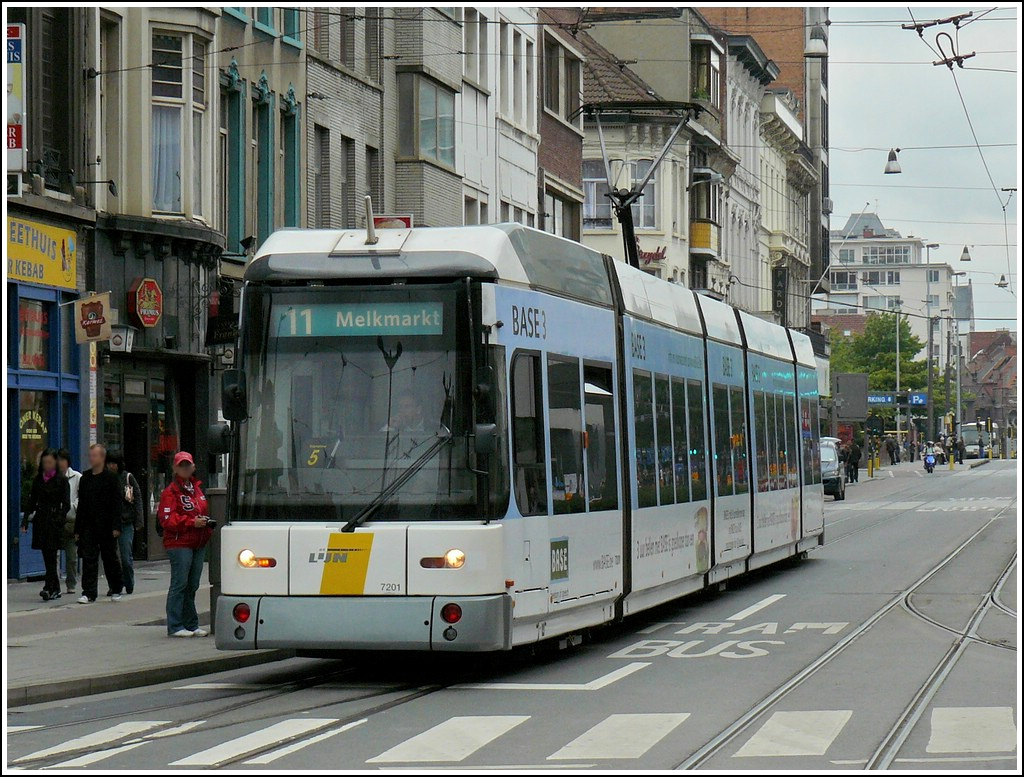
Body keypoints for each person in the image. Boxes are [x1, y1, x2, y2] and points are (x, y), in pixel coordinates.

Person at [158, 451, 213, 638]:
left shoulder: (196, 489)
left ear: (193, 467)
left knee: (192, 585)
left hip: (198, 542)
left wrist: (204, 523)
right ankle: (175, 625)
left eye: (187, 465)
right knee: (179, 584)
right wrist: (191, 522)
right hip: (179, 543)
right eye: (181, 465)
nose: (185, 468)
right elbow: (166, 519)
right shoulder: (170, 492)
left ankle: (191, 624)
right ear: (174, 468)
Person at [75, 443, 124, 604]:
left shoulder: (111, 478)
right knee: (89, 558)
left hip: (107, 524)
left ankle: (116, 588)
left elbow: (117, 503)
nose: (91, 458)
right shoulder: (85, 478)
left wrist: (116, 526)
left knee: (110, 557)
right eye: (90, 455)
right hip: (89, 524)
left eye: (94, 455)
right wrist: (78, 528)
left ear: (102, 457)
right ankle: (89, 592)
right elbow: (81, 504)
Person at [20, 449, 72, 601]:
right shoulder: (38, 480)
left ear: (55, 462)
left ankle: (49, 587)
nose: (47, 465)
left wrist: (59, 518)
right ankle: (54, 587)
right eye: (44, 463)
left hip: (54, 521)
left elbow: (66, 504)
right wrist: (25, 521)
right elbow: (32, 501)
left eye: (50, 462)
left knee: (51, 555)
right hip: (41, 520)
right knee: (46, 556)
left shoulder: (61, 480)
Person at [106, 450, 144, 595]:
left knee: (125, 557)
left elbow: (138, 498)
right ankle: (115, 585)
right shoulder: (105, 478)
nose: (111, 466)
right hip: (109, 523)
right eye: (109, 463)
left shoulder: (127, 478)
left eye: (114, 463)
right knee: (111, 558)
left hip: (125, 522)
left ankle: (128, 583)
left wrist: (138, 520)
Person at [57, 449, 82, 595]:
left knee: (72, 556)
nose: (59, 463)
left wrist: (72, 507)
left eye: (62, 460)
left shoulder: (77, 477)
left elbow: (82, 497)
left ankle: (71, 583)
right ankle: (54, 584)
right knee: (55, 554)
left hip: (71, 520)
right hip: (56, 520)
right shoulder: (52, 478)